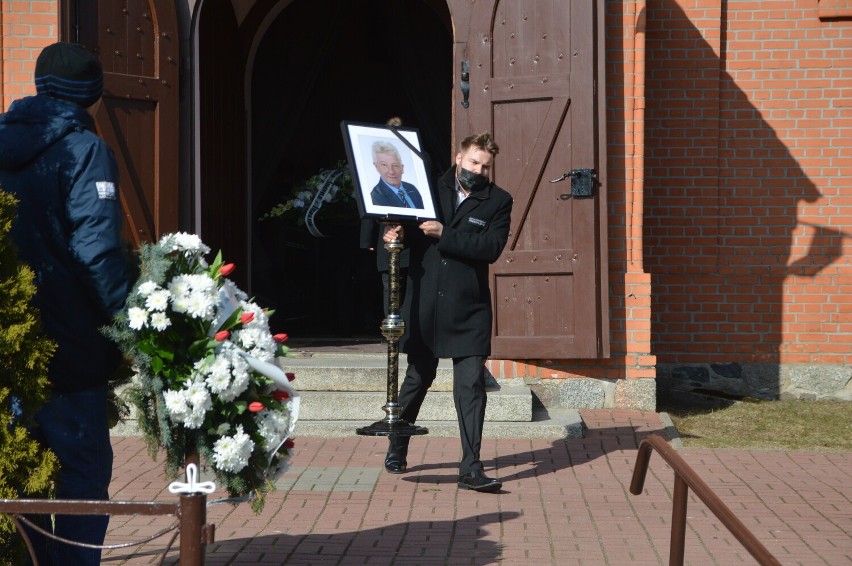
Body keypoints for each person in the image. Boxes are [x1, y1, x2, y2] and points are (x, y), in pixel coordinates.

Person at [0, 42, 133, 565]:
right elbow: (96, 251)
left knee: (17, 475)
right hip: (68, 350)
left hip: (11, 349)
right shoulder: (82, 149)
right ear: (93, 95)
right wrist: (130, 328)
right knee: (79, 474)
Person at [383, 132, 512, 493]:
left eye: (485, 166)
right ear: (459, 158)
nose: (479, 170)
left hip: (469, 309)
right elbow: (403, 227)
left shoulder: (498, 201)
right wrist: (392, 237)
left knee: (470, 386)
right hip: (426, 304)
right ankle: (398, 445)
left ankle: (471, 467)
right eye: (473, 162)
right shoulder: (425, 189)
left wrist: (445, 233)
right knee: (417, 378)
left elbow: (490, 248)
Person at [369, 141, 424, 209]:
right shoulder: (376, 197)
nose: (391, 171)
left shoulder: (412, 189)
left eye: (395, 165)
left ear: (402, 168)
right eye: (384, 165)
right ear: (376, 167)